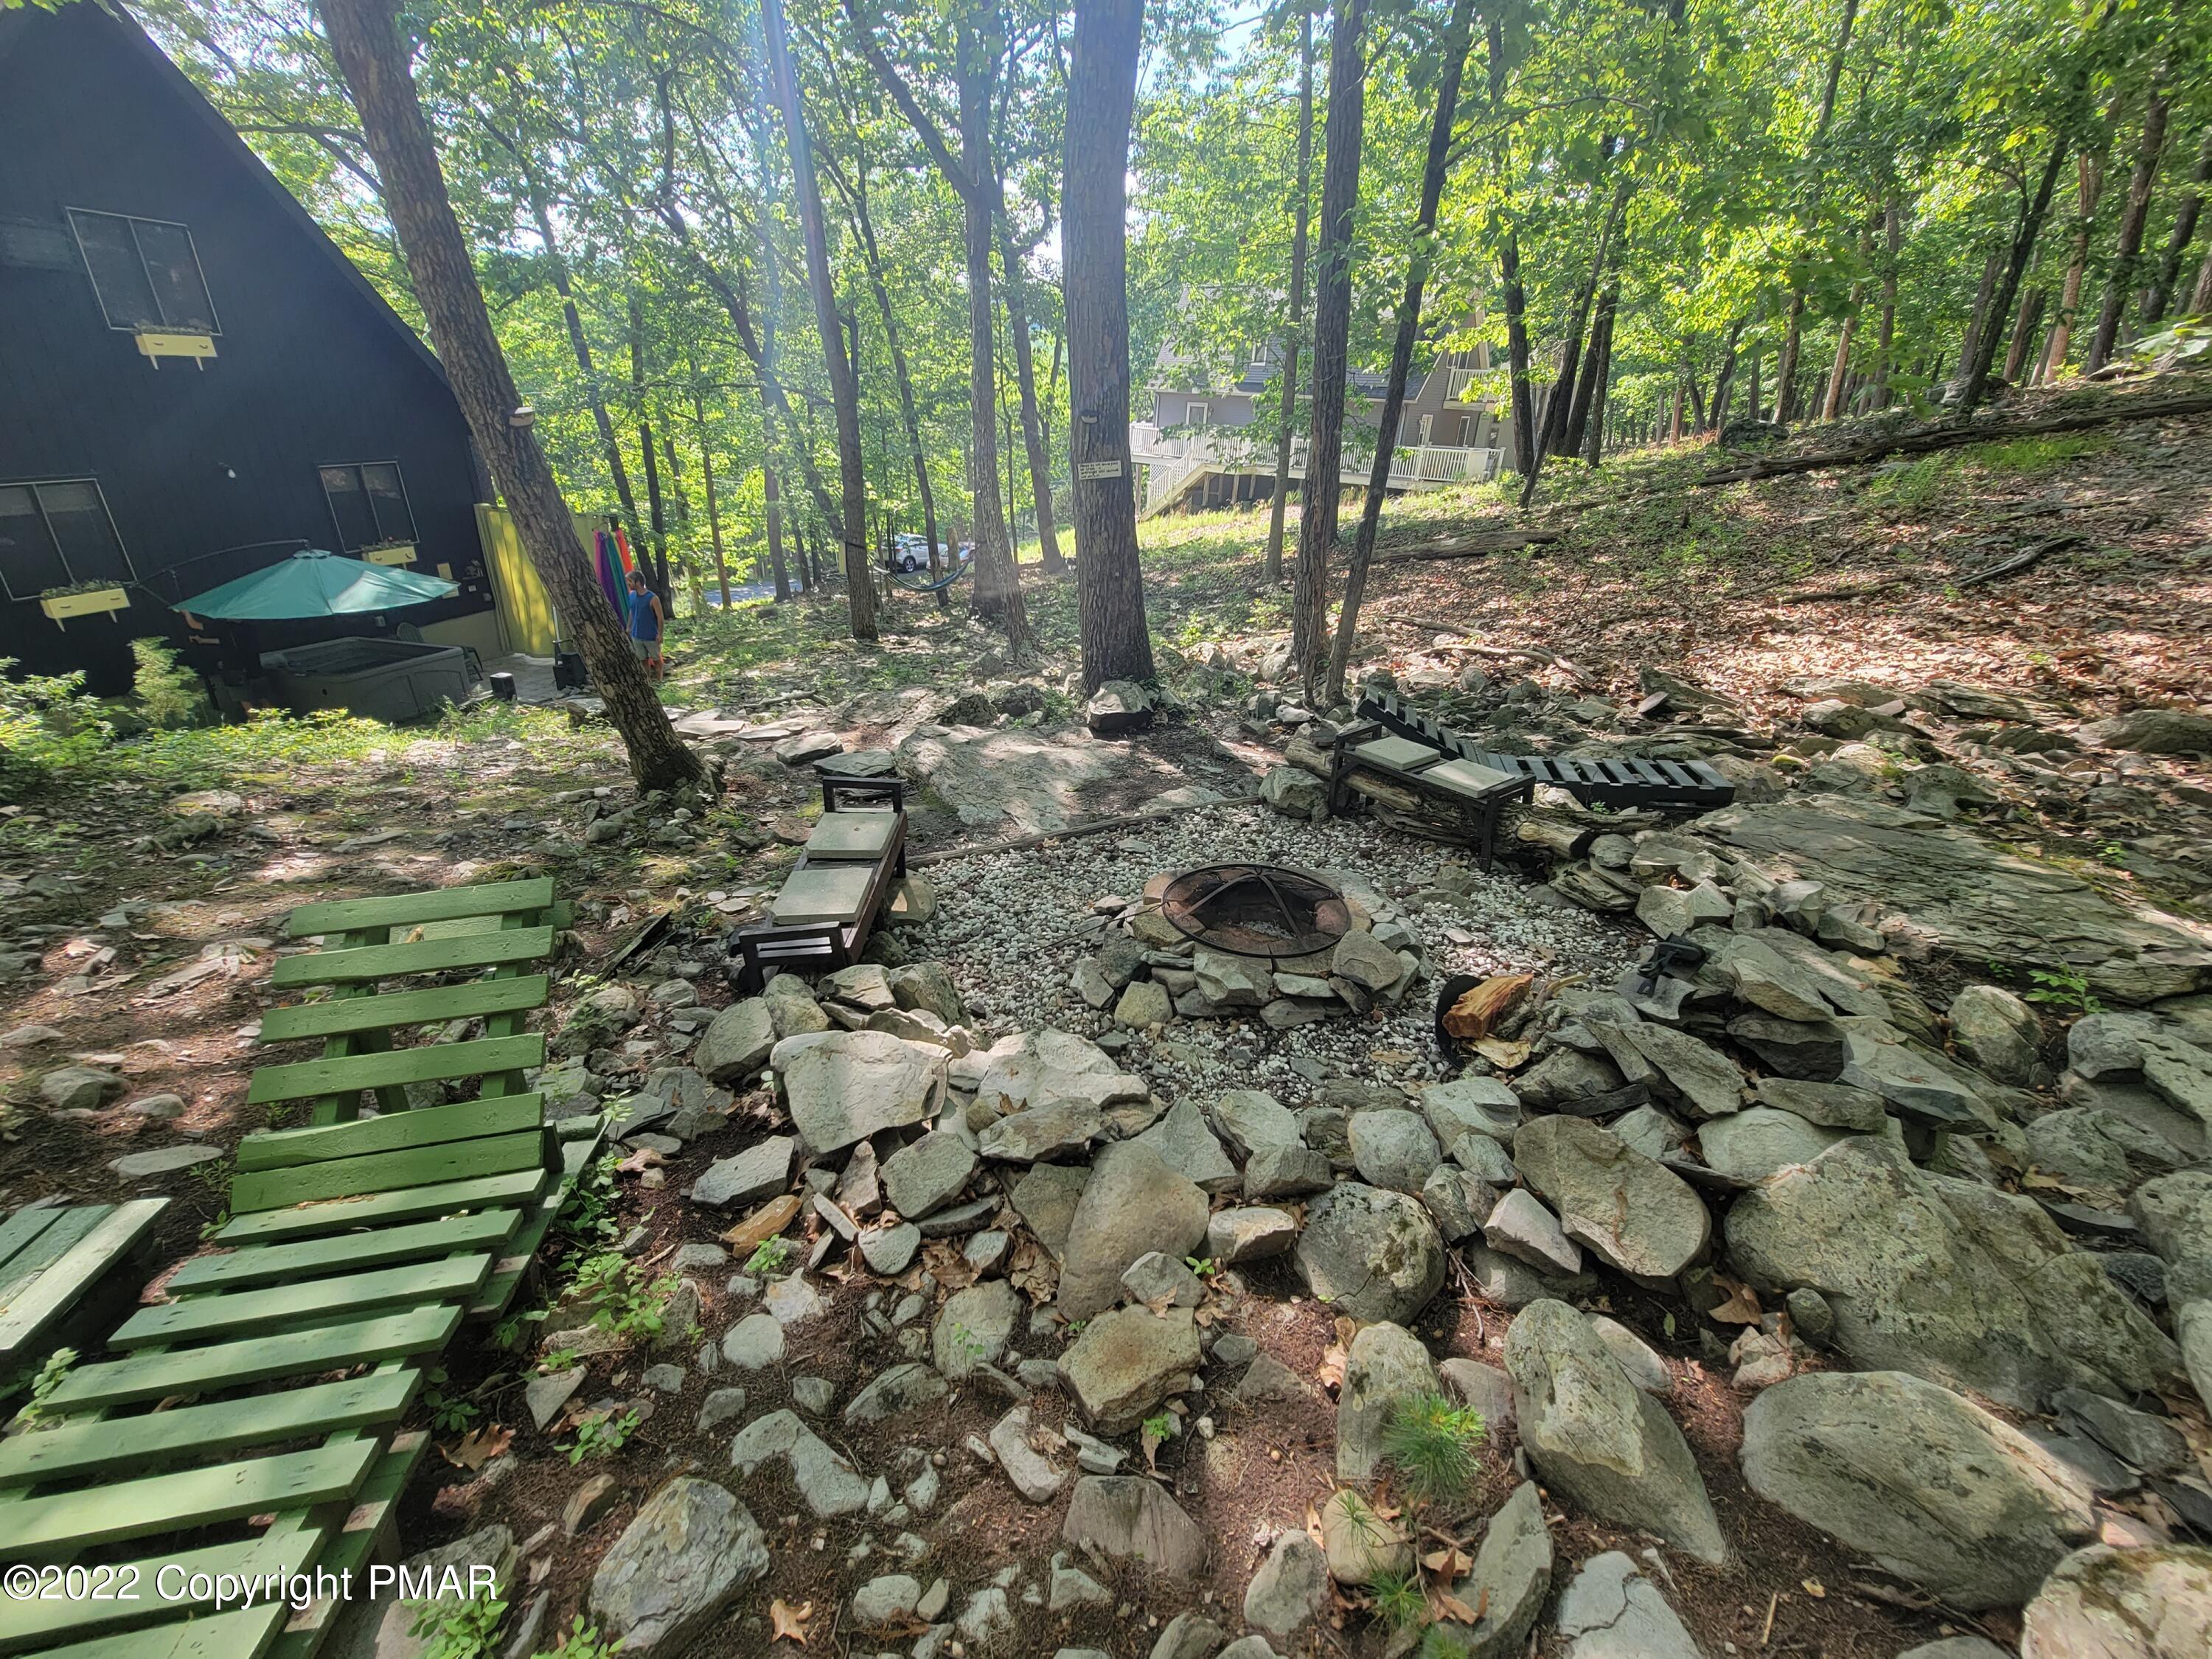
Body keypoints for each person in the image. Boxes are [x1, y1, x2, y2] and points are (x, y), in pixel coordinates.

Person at [624, 567, 664, 682]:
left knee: (656, 659)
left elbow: (660, 618)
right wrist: (629, 627)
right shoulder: (631, 596)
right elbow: (632, 612)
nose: (628, 585)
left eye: (630, 582)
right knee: (642, 660)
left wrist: (660, 634)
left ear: (638, 582)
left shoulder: (652, 598)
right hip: (636, 635)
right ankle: (648, 682)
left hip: (651, 636)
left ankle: (660, 680)